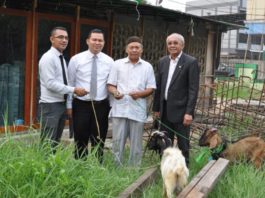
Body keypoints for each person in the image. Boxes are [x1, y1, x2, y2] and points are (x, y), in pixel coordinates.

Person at [107, 36, 156, 167]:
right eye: (131, 47)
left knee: (136, 143)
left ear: (141, 50)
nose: (134, 50)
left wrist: (140, 94)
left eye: (137, 47)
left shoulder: (147, 67)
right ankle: (116, 168)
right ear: (126, 49)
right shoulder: (117, 64)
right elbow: (110, 85)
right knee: (117, 141)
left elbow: (151, 88)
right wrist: (115, 92)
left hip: (137, 109)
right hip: (120, 109)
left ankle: (134, 169)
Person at [152, 33, 200, 166]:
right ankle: (166, 167)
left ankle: (185, 170)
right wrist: (156, 108)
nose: (172, 45)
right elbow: (159, 87)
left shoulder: (190, 62)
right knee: (165, 141)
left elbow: (193, 89)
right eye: (170, 43)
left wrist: (189, 112)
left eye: (175, 43)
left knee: (183, 143)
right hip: (165, 110)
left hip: (182, 112)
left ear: (182, 45)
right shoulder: (163, 62)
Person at [67, 29, 114, 163]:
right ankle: (80, 165)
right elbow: (70, 84)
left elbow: (110, 84)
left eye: (100, 40)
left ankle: (97, 164)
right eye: (94, 39)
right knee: (80, 136)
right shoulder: (76, 59)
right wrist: (69, 105)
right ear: (88, 41)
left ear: (104, 43)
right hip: (81, 104)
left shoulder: (109, 61)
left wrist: (111, 107)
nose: (97, 43)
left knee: (99, 136)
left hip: (101, 105)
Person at [38, 26, 87, 150]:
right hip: (50, 105)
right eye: (60, 37)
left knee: (55, 142)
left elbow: (64, 82)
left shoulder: (61, 58)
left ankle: (51, 168)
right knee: (47, 142)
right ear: (51, 39)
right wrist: (74, 90)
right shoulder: (48, 58)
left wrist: (68, 104)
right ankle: (43, 167)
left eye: (66, 37)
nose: (64, 40)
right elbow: (50, 83)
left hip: (60, 104)